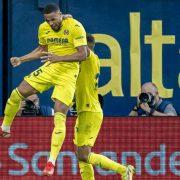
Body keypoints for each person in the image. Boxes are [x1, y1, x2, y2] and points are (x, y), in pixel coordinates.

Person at [0, 3, 88, 176]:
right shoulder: (44, 28)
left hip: (68, 73)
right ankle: (6, 127)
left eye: (53, 19)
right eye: (47, 20)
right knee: (17, 93)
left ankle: (51, 161)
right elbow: (42, 50)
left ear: (61, 15)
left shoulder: (75, 26)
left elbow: (83, 54)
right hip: (50, 67)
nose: (51, 24)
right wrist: (22, 59)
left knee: (59, 112)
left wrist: (59, 57)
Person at [42, 33, 135, 180]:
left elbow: (80, 47)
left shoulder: (89, 57)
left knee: (83, 154)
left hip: (90, 110)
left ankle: (123, 170)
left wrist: (68, 22)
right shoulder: (83, 62)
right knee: (82, 157)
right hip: (85, 110)